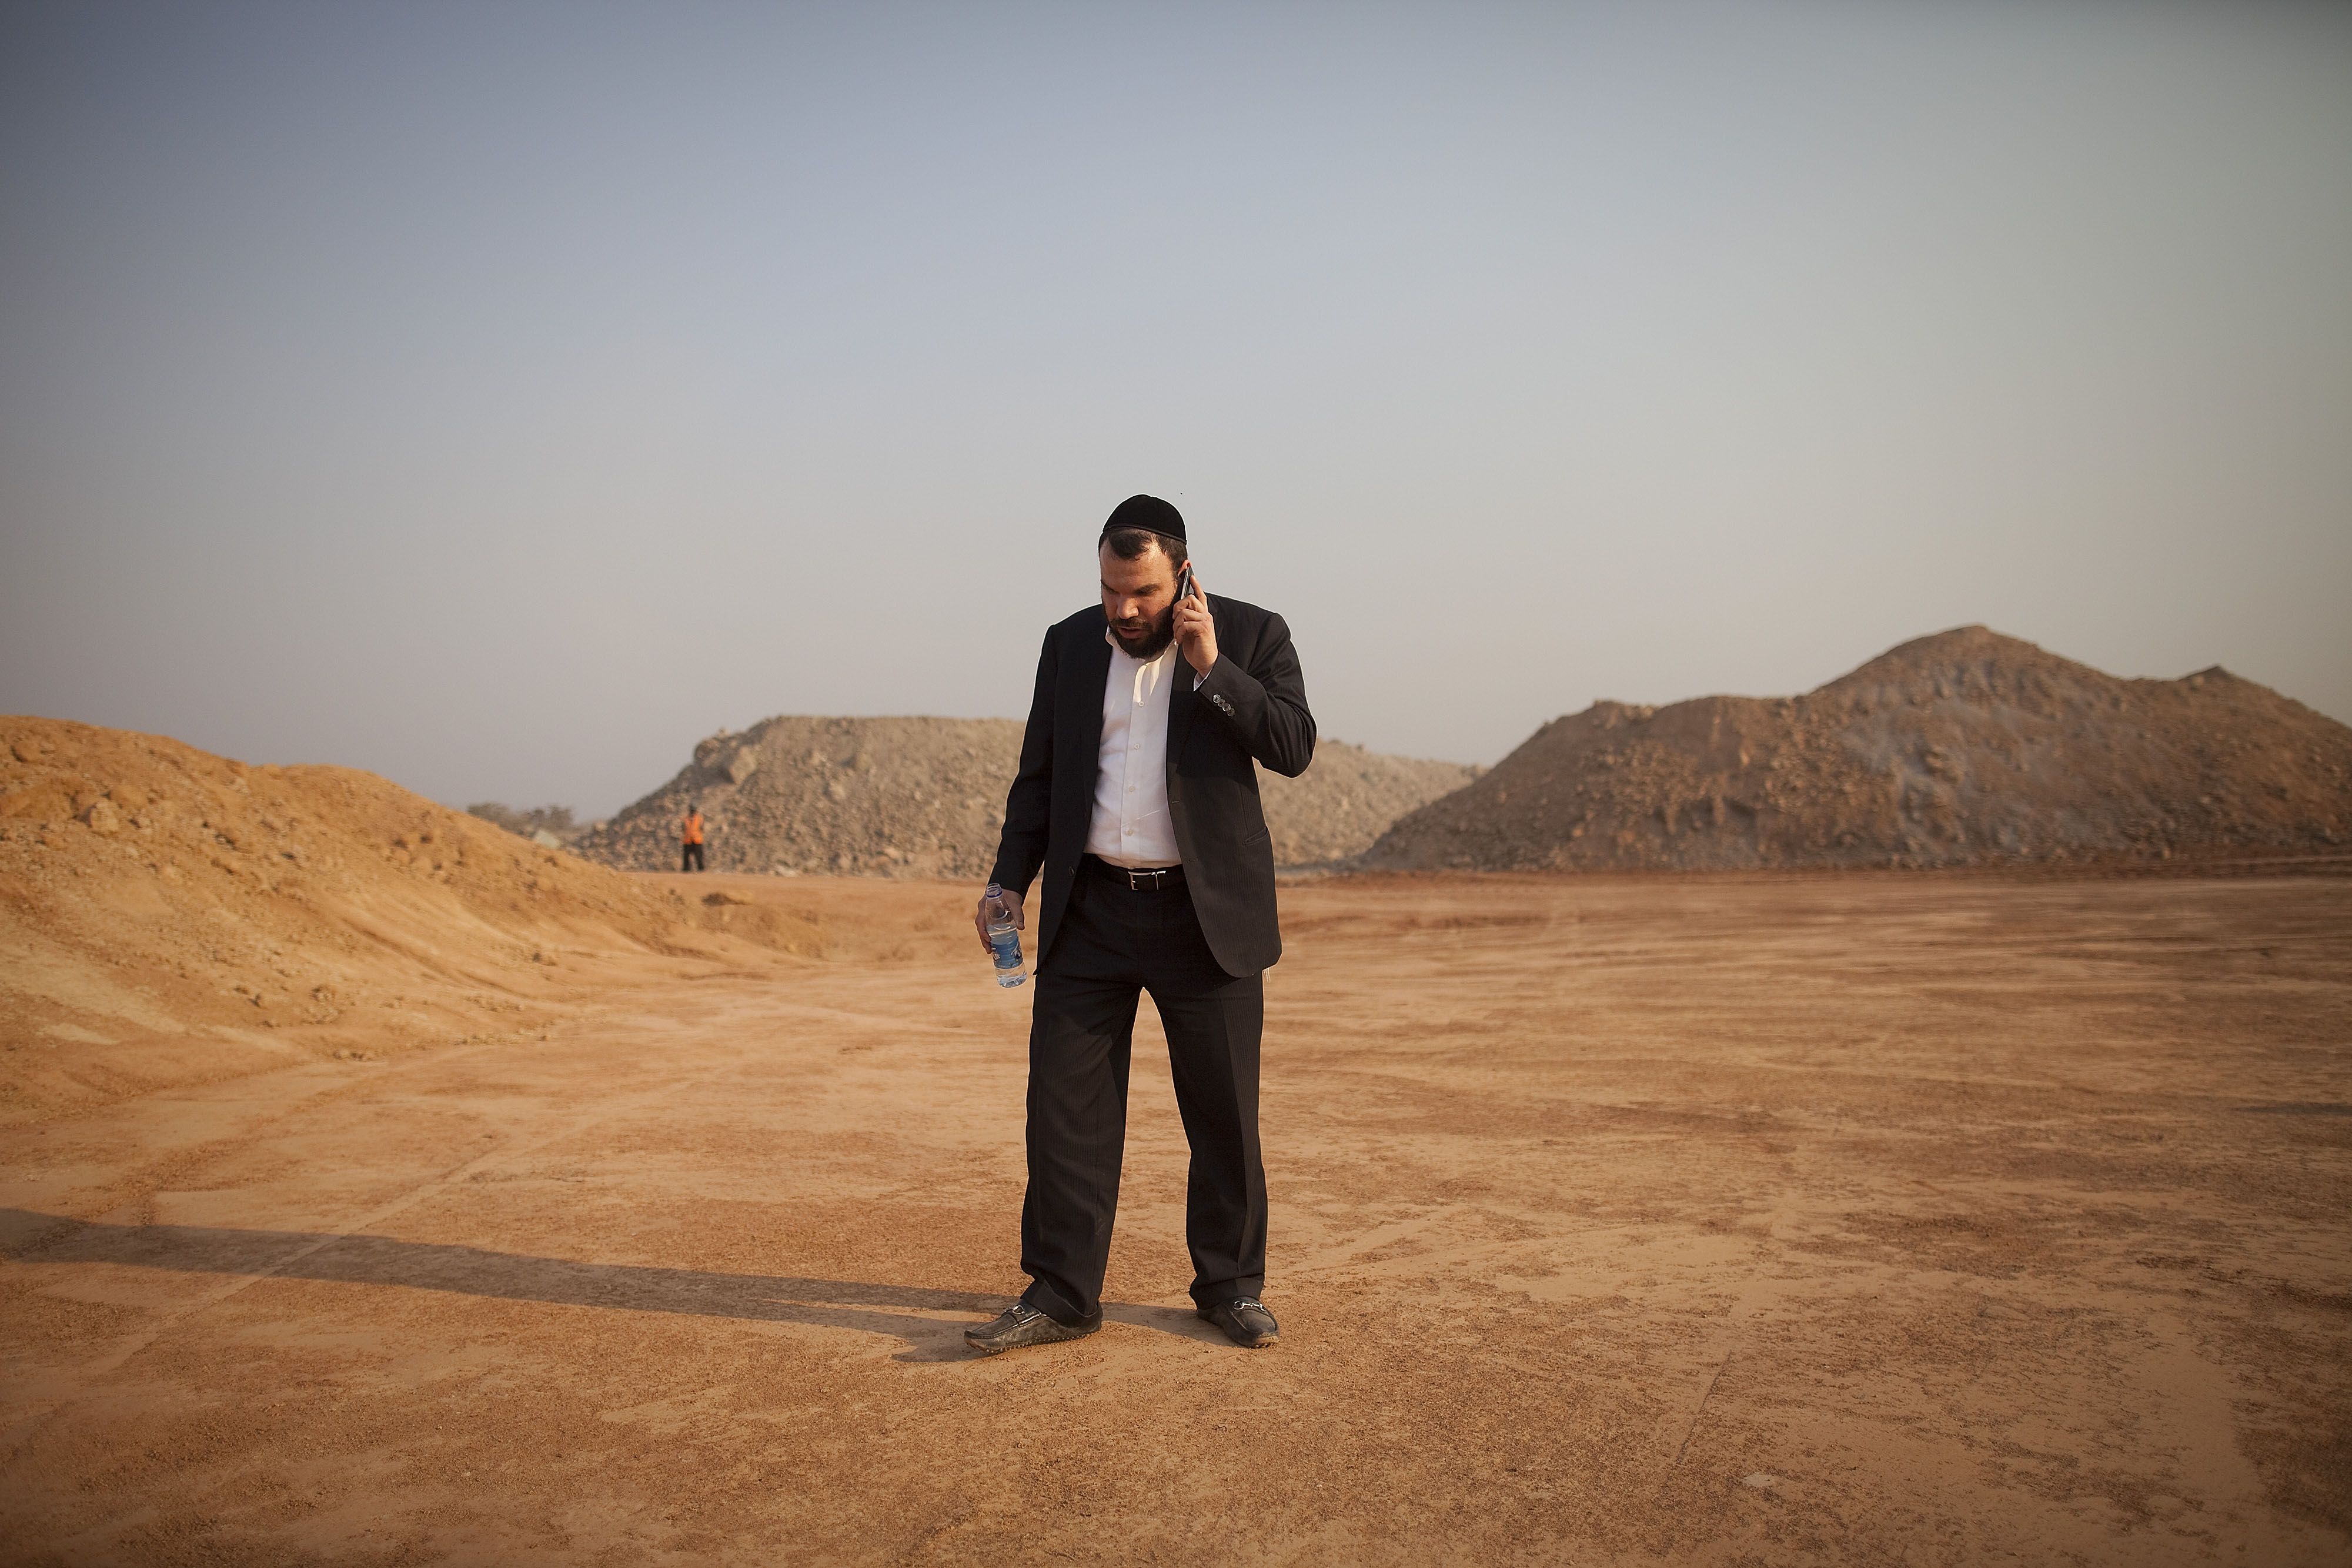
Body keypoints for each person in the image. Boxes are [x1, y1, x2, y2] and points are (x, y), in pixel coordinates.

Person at [965, 494, 1315, 1355]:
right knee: (1062, 1109)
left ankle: (1230, 1285)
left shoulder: (1253, 631)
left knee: (1223, 1109)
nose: (1123, 610)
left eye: (1143, 594)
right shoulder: (1068, 642)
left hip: (1207, 918)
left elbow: (1294, 744)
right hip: (1092, 912)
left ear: (1185, 575)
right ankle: (1061, 1290)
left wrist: (1211, 665)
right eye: (1111, 590)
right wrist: (1009, 880)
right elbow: (1038, 776)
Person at [680, 805, 706, 872]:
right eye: (692, 811)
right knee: (686, 856)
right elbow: (683, 828)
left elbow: (702, 828)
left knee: (699, 856)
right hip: (688, 840)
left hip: (697, 840)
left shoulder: (700, 819)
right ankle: (686, 869)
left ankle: (701, 869)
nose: (693, 812)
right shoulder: (685, 819)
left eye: (694, 811)